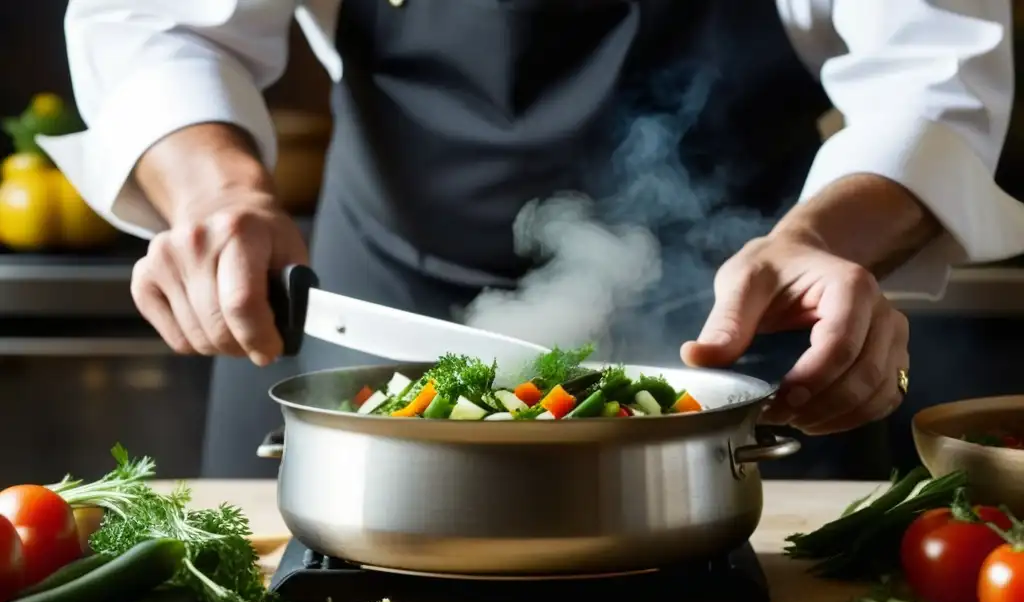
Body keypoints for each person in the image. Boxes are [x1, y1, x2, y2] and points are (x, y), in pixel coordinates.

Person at [45, 0, 1024, 479]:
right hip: (365, 297)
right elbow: (164, 21)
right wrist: (216, 191)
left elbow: (932, 68)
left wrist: (824, 240)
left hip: (736, 312)